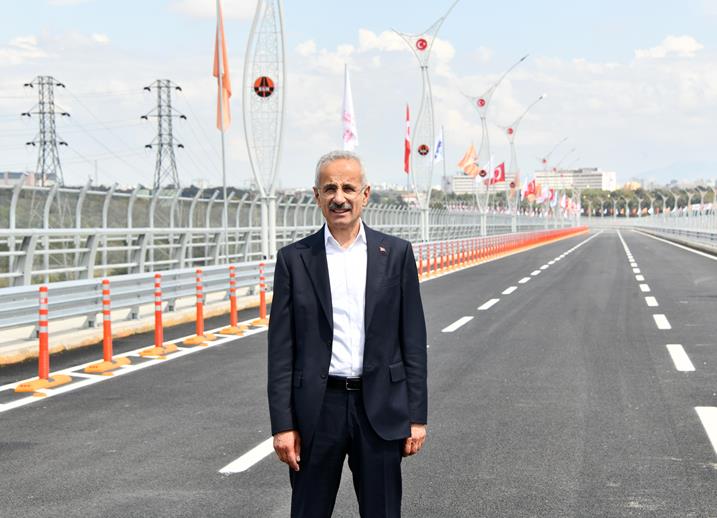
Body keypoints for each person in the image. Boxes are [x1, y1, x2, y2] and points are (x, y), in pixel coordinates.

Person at [267, 150, 428, 517]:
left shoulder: (396, 254)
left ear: (365, 194)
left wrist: (416, 416)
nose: (339, 198)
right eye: (330, 189)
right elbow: (280, 351)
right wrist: (283, 425)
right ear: (316, 196)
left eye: (348, 188)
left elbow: (413, 342)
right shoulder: (294, 259)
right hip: (316, 411)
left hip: (380, 410)